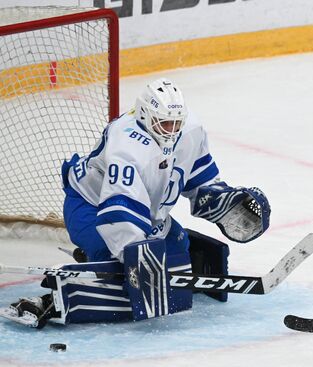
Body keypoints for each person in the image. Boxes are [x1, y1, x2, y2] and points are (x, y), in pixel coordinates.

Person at [1, 77, 270, 328]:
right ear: (144, 115)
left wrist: (224, 203)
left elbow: (200, 180)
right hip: (91, 210)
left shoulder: (190, 130)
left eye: (177, 122)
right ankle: (63, 297)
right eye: (165, 124)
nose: (172, 130)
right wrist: (137, 260)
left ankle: (107, 262)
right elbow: (118, 215)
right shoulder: (126, 144)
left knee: (179, 252)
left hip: (147, 213)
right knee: (126, 272)